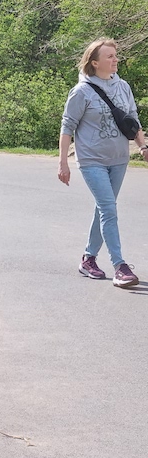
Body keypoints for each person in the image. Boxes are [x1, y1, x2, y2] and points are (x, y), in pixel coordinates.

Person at [58, 38, 147, 287]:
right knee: (108, 208)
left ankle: (88, 258)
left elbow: (133, 120)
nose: (115, 59)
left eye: (115, 55)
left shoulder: (123, 87)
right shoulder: (82, 91)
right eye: (109, 56)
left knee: (103, 208)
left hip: (119, 159)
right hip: (91, 160)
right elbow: (67, 127)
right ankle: (120, 266)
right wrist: (63, 162)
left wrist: (143, 146)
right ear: (94, 63)